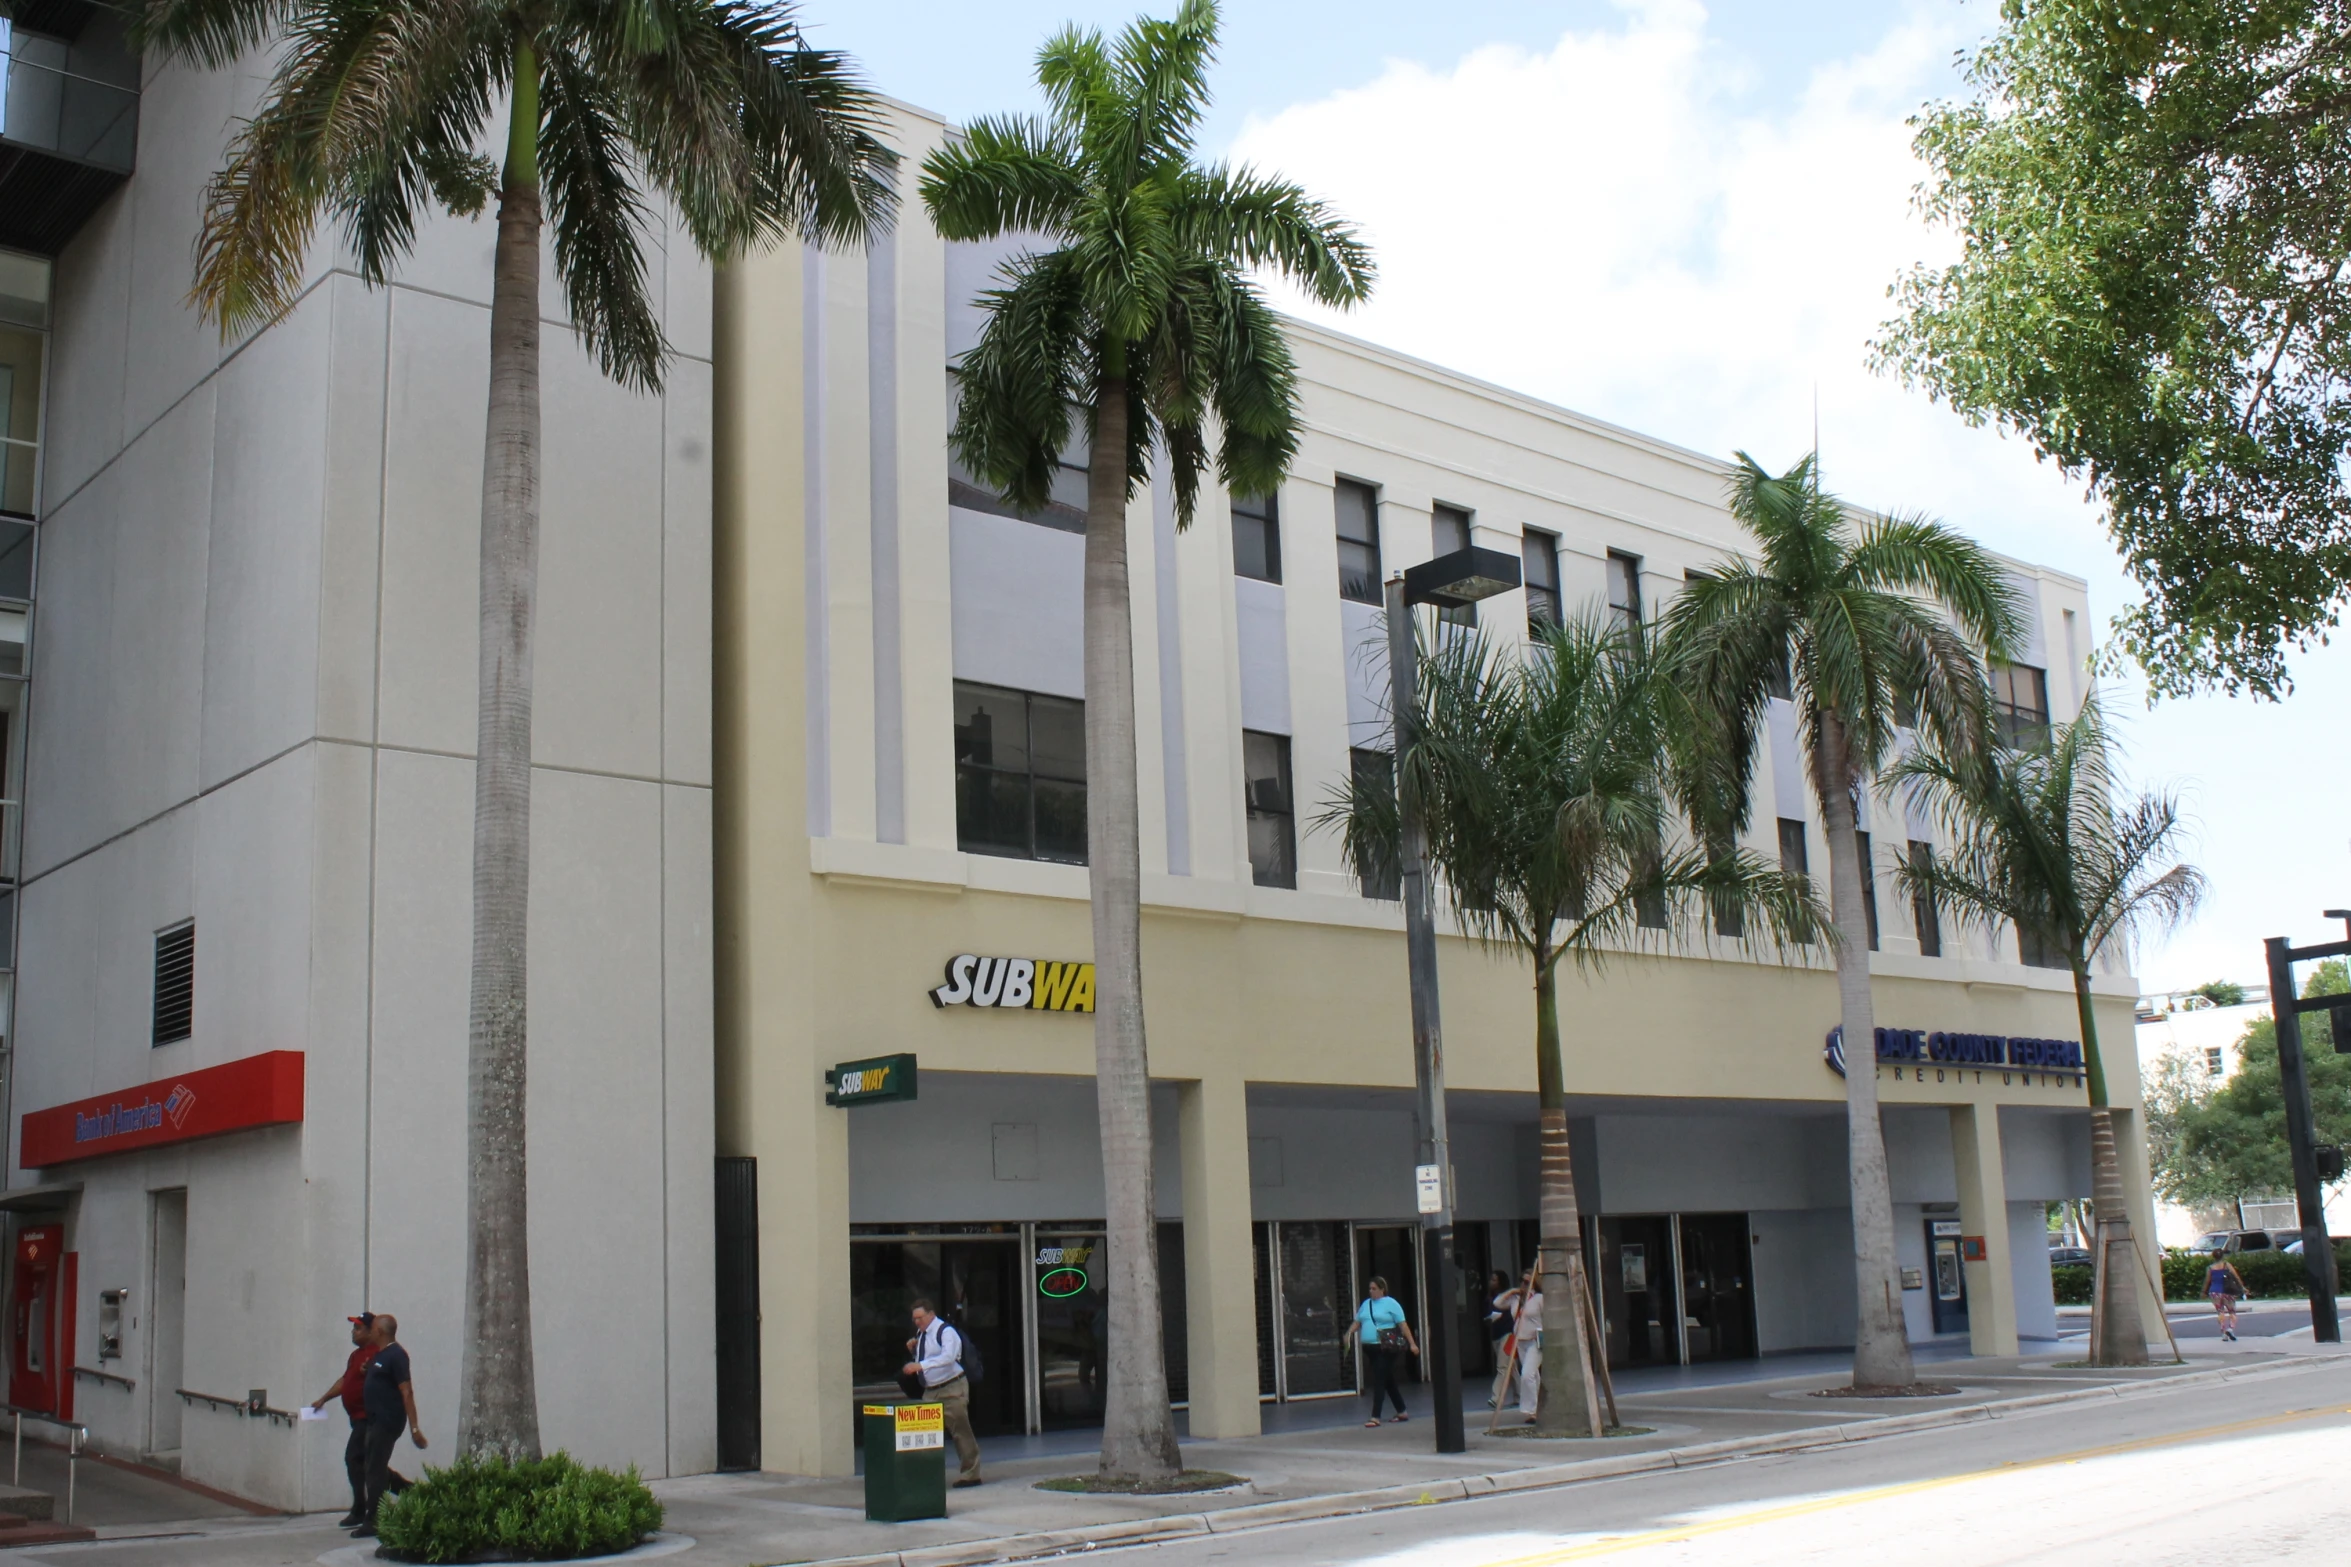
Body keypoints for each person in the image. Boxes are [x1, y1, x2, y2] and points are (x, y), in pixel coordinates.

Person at [309, 1312, 405, 1527]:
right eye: (354, 1328)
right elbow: (346, 1380)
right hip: (357, 1418)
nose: (353, 1332)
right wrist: (324, 1398)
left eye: (358, 1328)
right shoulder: (355, 1355)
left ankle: (362, 1509)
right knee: (369, 1464)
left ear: (372, 1331)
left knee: (355, 1459)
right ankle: (405, 1489)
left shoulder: (377, 1354)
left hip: (369, 1418)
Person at [352, 1313, 426, 1539]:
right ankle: (412, 1492)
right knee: (370, 1465)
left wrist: (414, 1428)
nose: (370, 1331)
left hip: (387, 1420)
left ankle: (374, 1519)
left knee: (374, 1468)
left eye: (372, 1328)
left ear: (380, 1332)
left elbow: (406, 1391)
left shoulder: (397, 1355)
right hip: (373, 1421)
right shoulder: (379, 1355)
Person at [902, 1298, 982, 1488]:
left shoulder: (946, 1332)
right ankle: (926, 1474)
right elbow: (929, 1358)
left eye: (920, 1317)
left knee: (960, 1431)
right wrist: (915, 1353)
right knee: (924, 1432)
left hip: (951, 1388)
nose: (917, 1322)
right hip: (930, 1390)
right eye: (914, 1319)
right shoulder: (921, 1334)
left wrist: (919, 1365)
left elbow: (947, 1357)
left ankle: (971, 1474)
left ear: (931, 1314)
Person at [1345, 1276, 1419, 1426]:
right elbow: (1358, 1321)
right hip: (1370, 1348)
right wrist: (1349, 1333)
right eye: (1370, 1289)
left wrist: (1412, 1344)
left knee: (1379, 1379)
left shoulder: (1391, 1304)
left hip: (1386, 1348)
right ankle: (1401, 1410)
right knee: (1387, 1379)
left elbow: (1403, 1325)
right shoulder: (1366, 1304)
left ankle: (1375, 1415)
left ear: (1382, 1290)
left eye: (1374, 1289)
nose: (1371, 1292)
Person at [1484, 1271, 1523, 1410]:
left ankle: (1496, 1398)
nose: (1492, 1282)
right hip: (1496, 1333)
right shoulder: (1490, 1297)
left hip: (1507, 1333)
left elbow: (1509, 1311)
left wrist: (1512, 1291)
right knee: (1510, 1367)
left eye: (1495, 1280)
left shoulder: (1512, 1298)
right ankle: (1520, 1395)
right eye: (1491, 1279)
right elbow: (1493, 1305)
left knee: (1502, 1367)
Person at [1513, 1269, 1545, 1422]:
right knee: (1534, 1376)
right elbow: (1497, 1303)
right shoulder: (1519, 1299)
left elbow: (1548, 1317)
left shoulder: (1538, 1298)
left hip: (1535, 1341)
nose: (1523, 1284)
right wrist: (1513, 1292)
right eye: (1522, 1281)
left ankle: (1531, 1410)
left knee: (1527, 1374)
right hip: (1521, 1341)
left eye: (1527, 1282)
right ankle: (1539, 1407)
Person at [2205, 1254, 2248, 1341]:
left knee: (2220, 1312)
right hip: (2228, 1291)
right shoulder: (2227, 1265)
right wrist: (2242, 1287)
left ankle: (2223, 1333)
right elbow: (2236, 1277)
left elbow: (2207, 1281)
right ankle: (2230, 1329)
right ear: (2222, 1256)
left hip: (2214, 1292)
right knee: (2232, 1312)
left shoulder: (2210, 1268)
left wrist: (2203, 1291)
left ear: (2213, 1257)